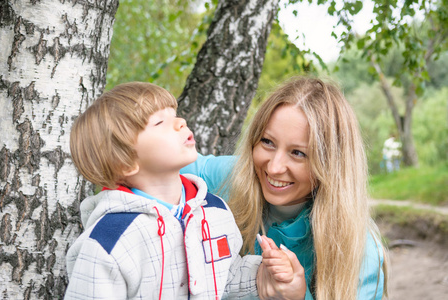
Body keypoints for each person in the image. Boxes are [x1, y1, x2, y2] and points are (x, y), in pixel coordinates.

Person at [65, 82, 298, 300]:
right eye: (159, 123)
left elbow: (225, 278)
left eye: (175, 115)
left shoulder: (214, 210)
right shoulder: (109, 242)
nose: (181, 122)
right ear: (125, 162)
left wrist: (261, 276)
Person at [181, 76, 389, 300]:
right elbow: (164, 162)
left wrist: (298, 297)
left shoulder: (360, 250)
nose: (274, 167)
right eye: (267, 142)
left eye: (298, 153)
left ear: (331, 165)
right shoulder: (233, 176)